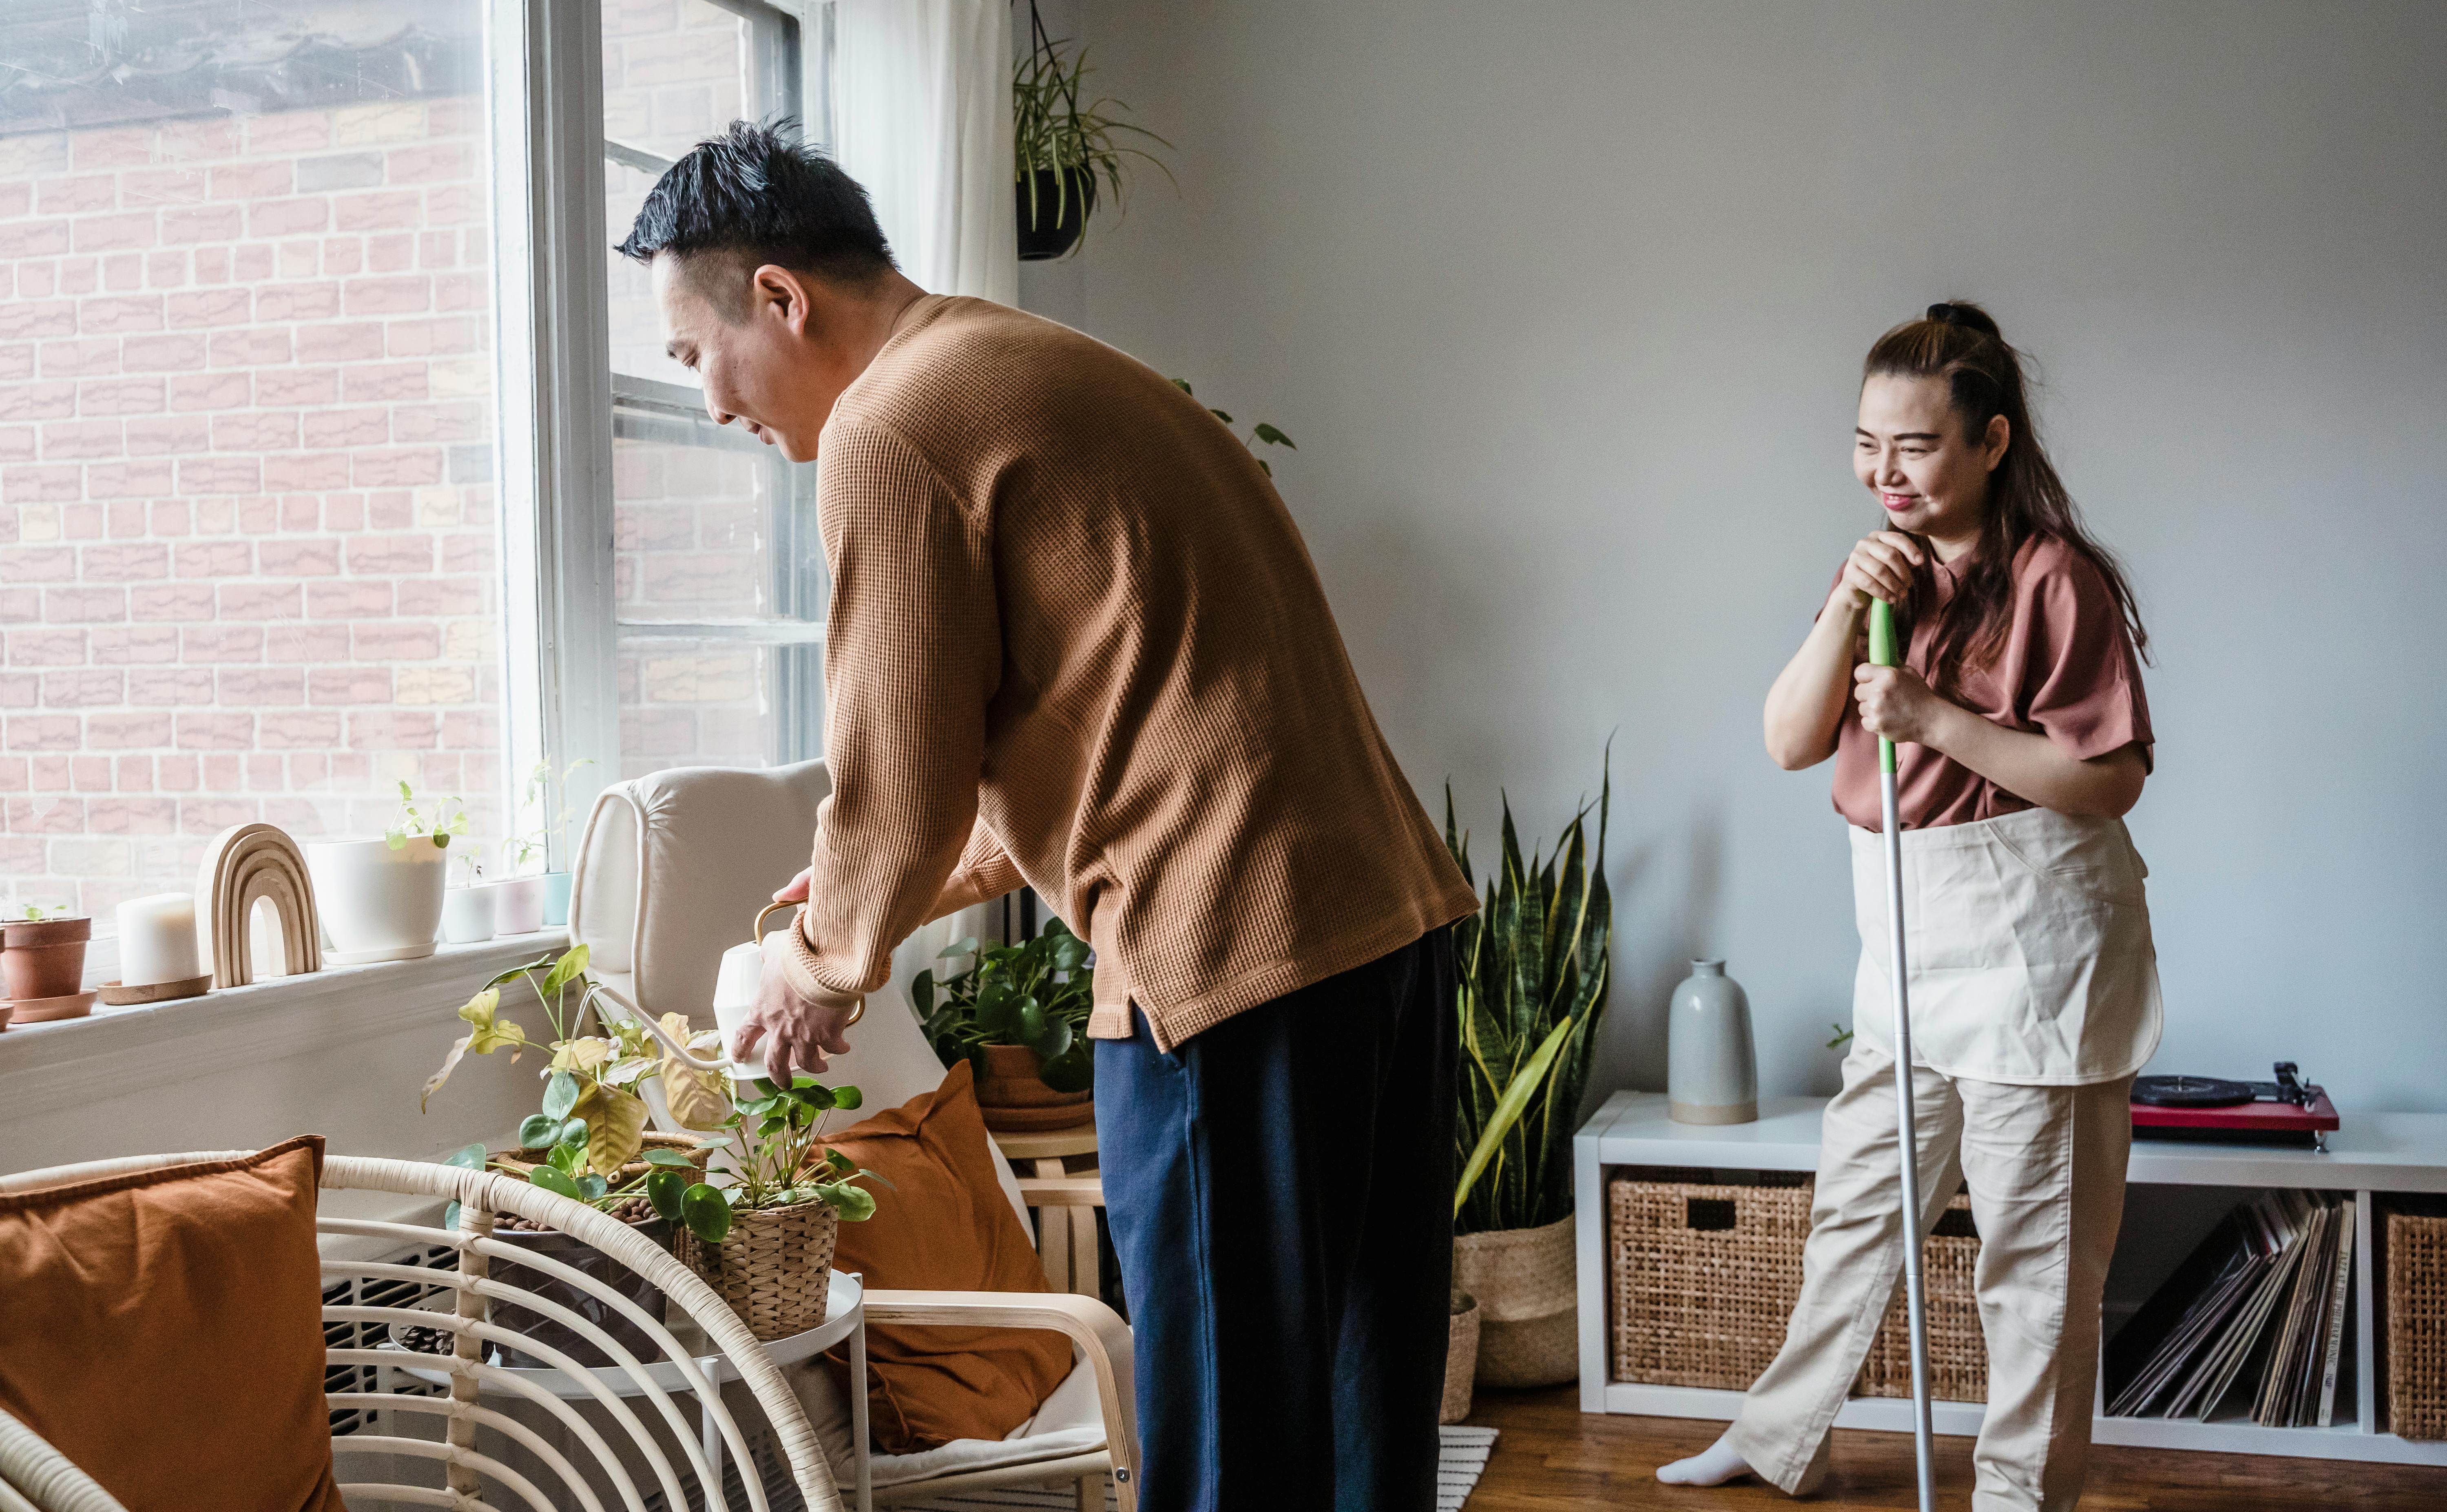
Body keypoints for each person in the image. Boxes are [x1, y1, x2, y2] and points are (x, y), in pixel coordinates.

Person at [614, 122, 1479, 1512]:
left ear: (781, 297)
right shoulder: (1029, 363)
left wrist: (820, 966)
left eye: (690, 355)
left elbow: (894, 771)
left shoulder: (892, 425)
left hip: (1228, 963)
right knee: (1358, 1418)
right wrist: (882, 900)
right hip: (1380, 924)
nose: (709, 402)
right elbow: (1109, 716)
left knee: (1224, 1453)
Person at [1659, 302, 2159, 1510]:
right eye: (1867, 443)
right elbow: (1789, 739)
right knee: (1855, 1215)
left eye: (1917, 447)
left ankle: (2014, 1495)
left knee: (2032, 1265)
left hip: (2036, 955)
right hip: (1910, 942)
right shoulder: (1872, 572)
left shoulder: (2056, 580)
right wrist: (1843, 607)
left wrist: (1936, 721)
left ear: (1991, 442)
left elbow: (2110, 781)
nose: (1885, 472)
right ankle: (1785, 1436)